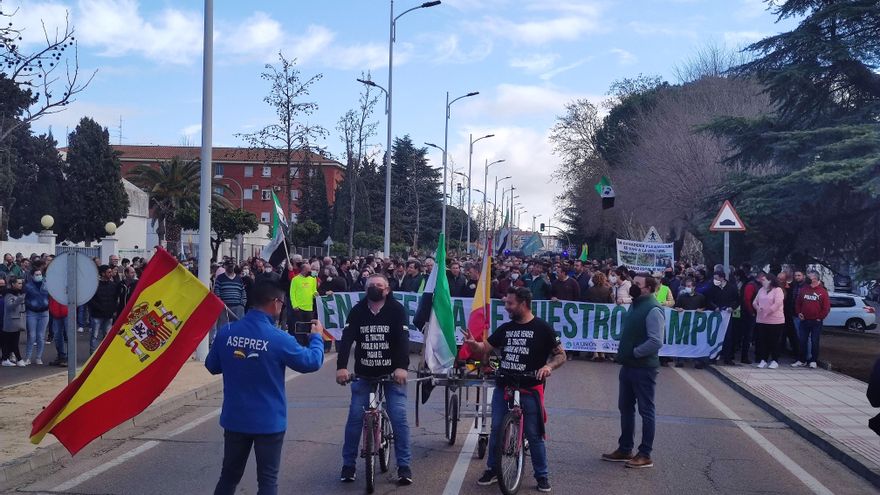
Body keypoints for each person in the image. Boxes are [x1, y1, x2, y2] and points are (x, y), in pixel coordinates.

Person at [206, 281, 325, 495]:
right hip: (269, 420)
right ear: (275, 303)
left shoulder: (227, 332)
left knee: (229, 476)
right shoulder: (279, 338)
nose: (282, 309)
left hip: (235, 418)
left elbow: (212, 366)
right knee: (268, 481)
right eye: (282, 304)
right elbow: (312, 361)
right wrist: (316, 337)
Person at [465, 286, 566, 493]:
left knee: (534, 434)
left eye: (510, 303)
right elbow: (485, 348)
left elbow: (561, 355)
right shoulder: (506, 328)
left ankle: (542, 475)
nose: (506, 307)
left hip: (530, 388)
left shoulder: (543, 328)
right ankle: (493, 469)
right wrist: (473, 345)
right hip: (505, 386)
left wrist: (548, 367)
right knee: (497, 429)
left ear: (523, 303)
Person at [336, 274, 413, 485]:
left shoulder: (397, 310)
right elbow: (347, 340)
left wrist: (402, 367)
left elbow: (403, 340)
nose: (375, 288)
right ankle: (348, 465)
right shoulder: (357, 311)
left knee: (399, 416)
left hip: (391, 375)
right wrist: (341, 367)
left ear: (387, 289)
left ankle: (404, 466)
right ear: (365, 289)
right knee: (354, 417)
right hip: (363, 373)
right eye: (371, 285)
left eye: (379, 285)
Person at [602, 274, 663, 469]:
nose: (633, 287)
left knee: (646, 411)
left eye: (638, 284)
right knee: (625, 407)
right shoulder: (635, 305)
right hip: (628, 366)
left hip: (643, 368)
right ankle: (625, 448)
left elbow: (656, 341)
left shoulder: (653, 309)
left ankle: (645, 454)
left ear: (649, 288)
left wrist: (635, 352)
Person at [792, 270, 831, 369]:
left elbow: (826, 308)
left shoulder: (822, 291)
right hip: (804, 320)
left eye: (810, 277)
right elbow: (798, 303)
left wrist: (820, 317)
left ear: (815, 278)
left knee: (814, 341)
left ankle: (813, 361)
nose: (807, 279)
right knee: (802, 341)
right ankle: (802, 360)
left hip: (816, 321)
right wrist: (799, 312)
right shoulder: (804, 289)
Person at [673, 277, 707, 368]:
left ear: (694, 287)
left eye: (689, 286)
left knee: (696, 342)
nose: (687, 288)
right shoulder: (682, 296)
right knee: (682, 341)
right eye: (686, 286)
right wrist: (678, 309)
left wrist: (701, 309)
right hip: (684, 323)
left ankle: (697, 361)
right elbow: (676, 306)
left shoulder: (700, 297)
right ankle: (680, 360)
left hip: (696, 324)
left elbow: (704, 307)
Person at [753, 273, 785, 369]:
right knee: (763, 341)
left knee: (774, 341)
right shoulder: (761, 290)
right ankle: (763, 360)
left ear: (770, 281)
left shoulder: (778, 290)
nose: (762, 282)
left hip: (775, 320)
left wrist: (768, 311)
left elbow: (778, 303)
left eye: (764, 280)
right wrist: (757, 308)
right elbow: (755, 302)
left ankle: (775, 360)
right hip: (761, 320)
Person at [88, 265, 122, 355]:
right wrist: (99, 308)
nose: (111, 274)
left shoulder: (113, 285)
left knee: (107, 336)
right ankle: (93, 355)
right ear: (103, 274)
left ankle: (105, 355)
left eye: (111, 272)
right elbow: (90, 301)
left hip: (108, 315)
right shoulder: (95, 286)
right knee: (95, 336)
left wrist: (114, 310)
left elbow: (116, 299)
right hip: (97, 315)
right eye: (109, 272)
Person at [23, 266, 50, 365]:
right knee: (32, 335)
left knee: (40, 336)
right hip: (32, 313)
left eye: (40, 274)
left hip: (44, 313)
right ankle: (28, 357)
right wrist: (30, 305)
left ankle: (38, 357)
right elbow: (24, 298)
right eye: (37, 274)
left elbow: (51, 296)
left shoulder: (46, 285)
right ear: (32, 276)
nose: (39, 276)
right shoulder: (28, 286)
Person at [288, 262, 318, 345]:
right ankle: (299, 344)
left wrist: (316, 294)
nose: (310, 271)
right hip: (299, 308)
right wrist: (294, 305)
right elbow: (292, 293)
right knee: (299, 328)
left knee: (308, 328)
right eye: (308, 270)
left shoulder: (312, 279)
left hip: (309, 308)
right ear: (303, 270)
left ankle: (307, 344)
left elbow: (314, 290)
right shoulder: (295, 279)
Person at [2, 277, 27, 366]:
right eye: (19, 283)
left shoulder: (19, 293)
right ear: (13, 284)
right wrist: (19, 299)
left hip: (18, 321)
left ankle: (6, 358)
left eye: (21, 283)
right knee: (11, 342)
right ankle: (18, 359)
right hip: (10, 322)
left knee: (12, 341)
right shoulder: (8, 294)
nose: (21, 285)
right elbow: (9, 307)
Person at [48, 295, 68, 367]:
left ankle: (69, 358)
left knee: (69, 335)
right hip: (56, 311)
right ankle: (61, 357)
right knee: (57, 336)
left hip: (67, 311)